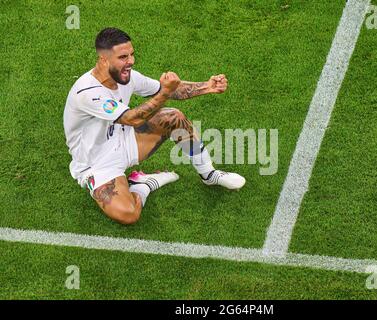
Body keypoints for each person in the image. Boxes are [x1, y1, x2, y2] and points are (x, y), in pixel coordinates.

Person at [63, 27, 245, 225]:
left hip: (125, 140)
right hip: (97, 164)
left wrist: (207, 87)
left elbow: (168, 90)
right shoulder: (88, 92)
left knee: (173, 117)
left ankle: (208, 174)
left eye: (131, 54)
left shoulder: (125, 75)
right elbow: (132, 119)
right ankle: (144, 185)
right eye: (123, 57)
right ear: (104, 59)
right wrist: (164, 93)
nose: (131, 61)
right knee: (129, 214)